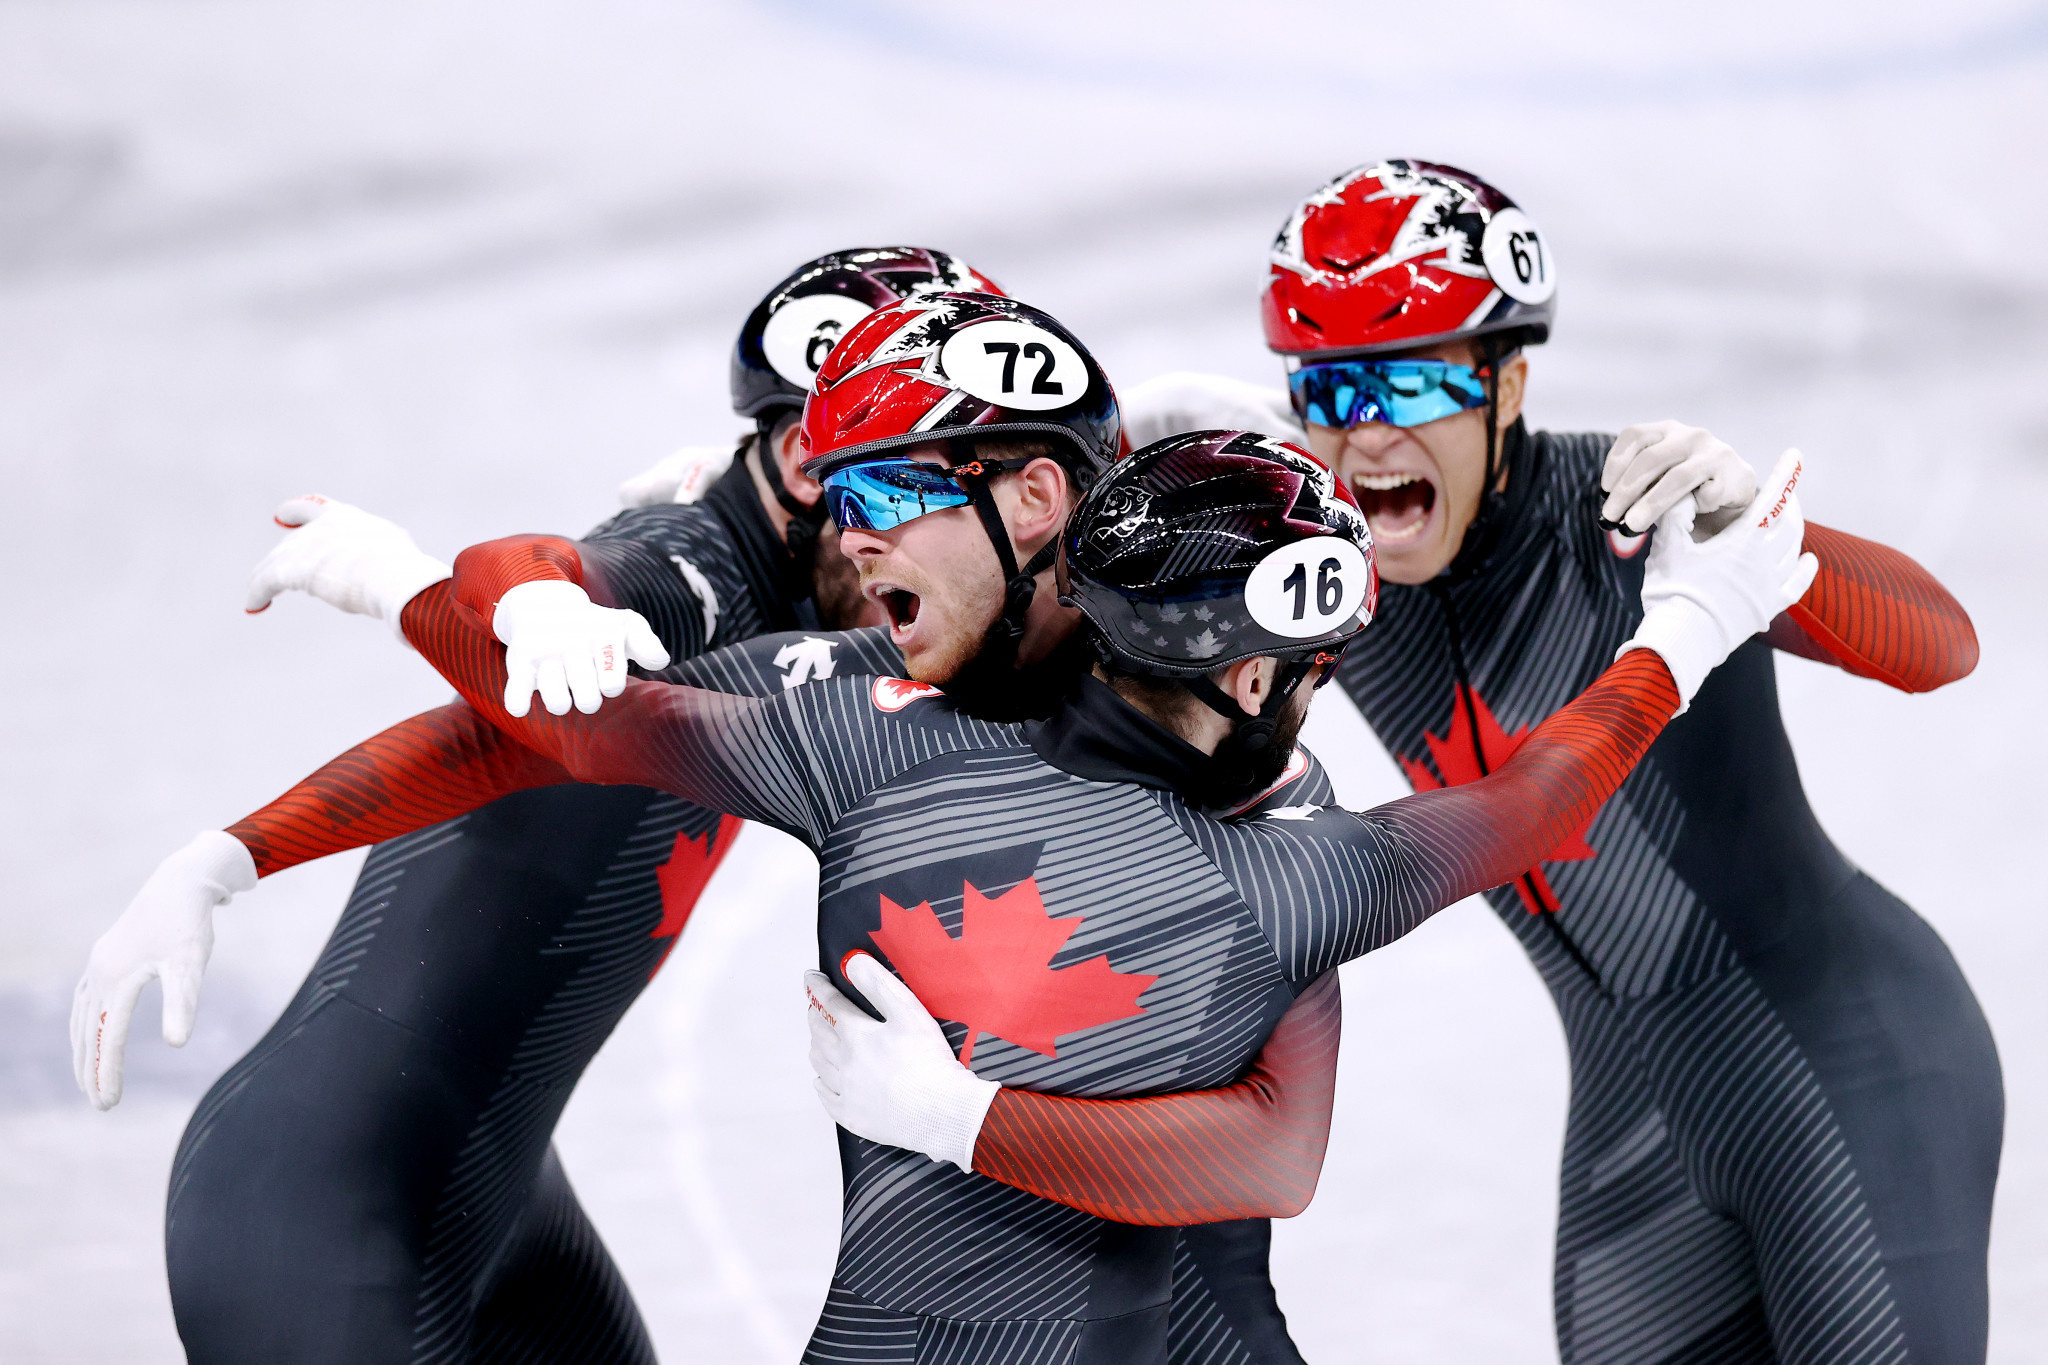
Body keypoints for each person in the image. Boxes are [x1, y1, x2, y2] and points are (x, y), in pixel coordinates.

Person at [160, 286, 1817, 1363]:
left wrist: (964, 1127)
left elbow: (1279, 1156)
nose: (847, 534)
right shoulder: (868, 716)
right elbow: (577, 712)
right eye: (836, 488)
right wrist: (349, 672)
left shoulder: (1251, 827)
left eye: (882, 490)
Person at [1049, 159, 1991, 1365]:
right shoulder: (1311, 559)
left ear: (1508, 383)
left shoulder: (1628, 521)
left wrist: (1773, 533)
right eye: (1331, 386)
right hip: (1630, 1109)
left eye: (1412, 378)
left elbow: (1944, 647)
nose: (1368, 427)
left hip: (1853, 1067)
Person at [70, 247, 999, 1365]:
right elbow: (543, 573)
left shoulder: (807, 572)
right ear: (808, 461)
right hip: (316, 1210)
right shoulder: (685, 567)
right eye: (935, 478)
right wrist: (507, 596)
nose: (963, 518)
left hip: (495, 1191)